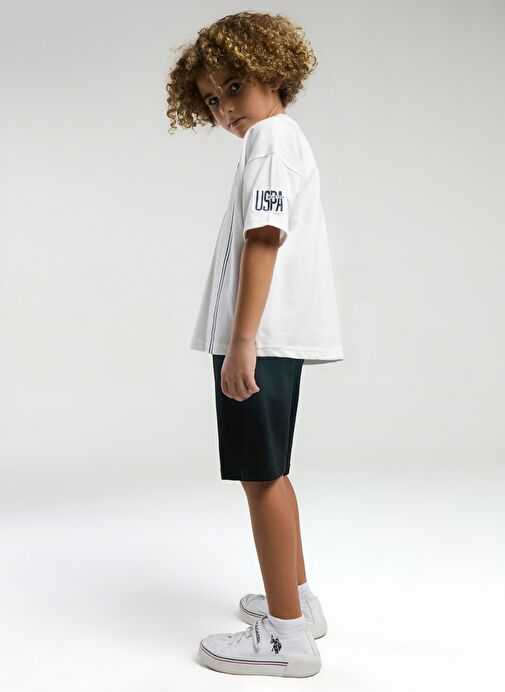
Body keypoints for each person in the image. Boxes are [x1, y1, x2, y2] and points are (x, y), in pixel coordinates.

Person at [166, 11, 344, 678]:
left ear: (271, 69)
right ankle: (295, 599)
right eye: (212, 99)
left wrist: (242, 341)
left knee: (259, 474)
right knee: (270, 470)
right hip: (268, 335)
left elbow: (263, 239)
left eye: (233, 86)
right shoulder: (280, 139)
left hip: (259, 338)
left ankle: (286, 639)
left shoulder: (269, 141)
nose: (225, 108)